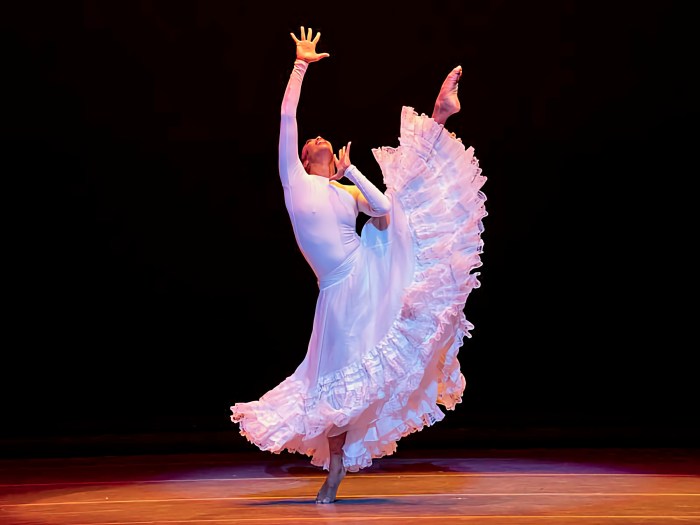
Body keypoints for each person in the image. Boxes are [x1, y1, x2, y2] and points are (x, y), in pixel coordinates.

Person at [231, 26, 487, 504]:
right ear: (306, 158)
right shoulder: (295, 182)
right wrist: (300, 64)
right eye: (314, 144)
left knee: (407, 198)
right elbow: (288, 115)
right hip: (337, 291)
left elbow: (384, 208)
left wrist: (352, 171)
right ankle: (334, 470)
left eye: (326, 144)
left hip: (365, 272)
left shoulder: (346, 191)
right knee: (334, 378)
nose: (320, 140)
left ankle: (438, 115)